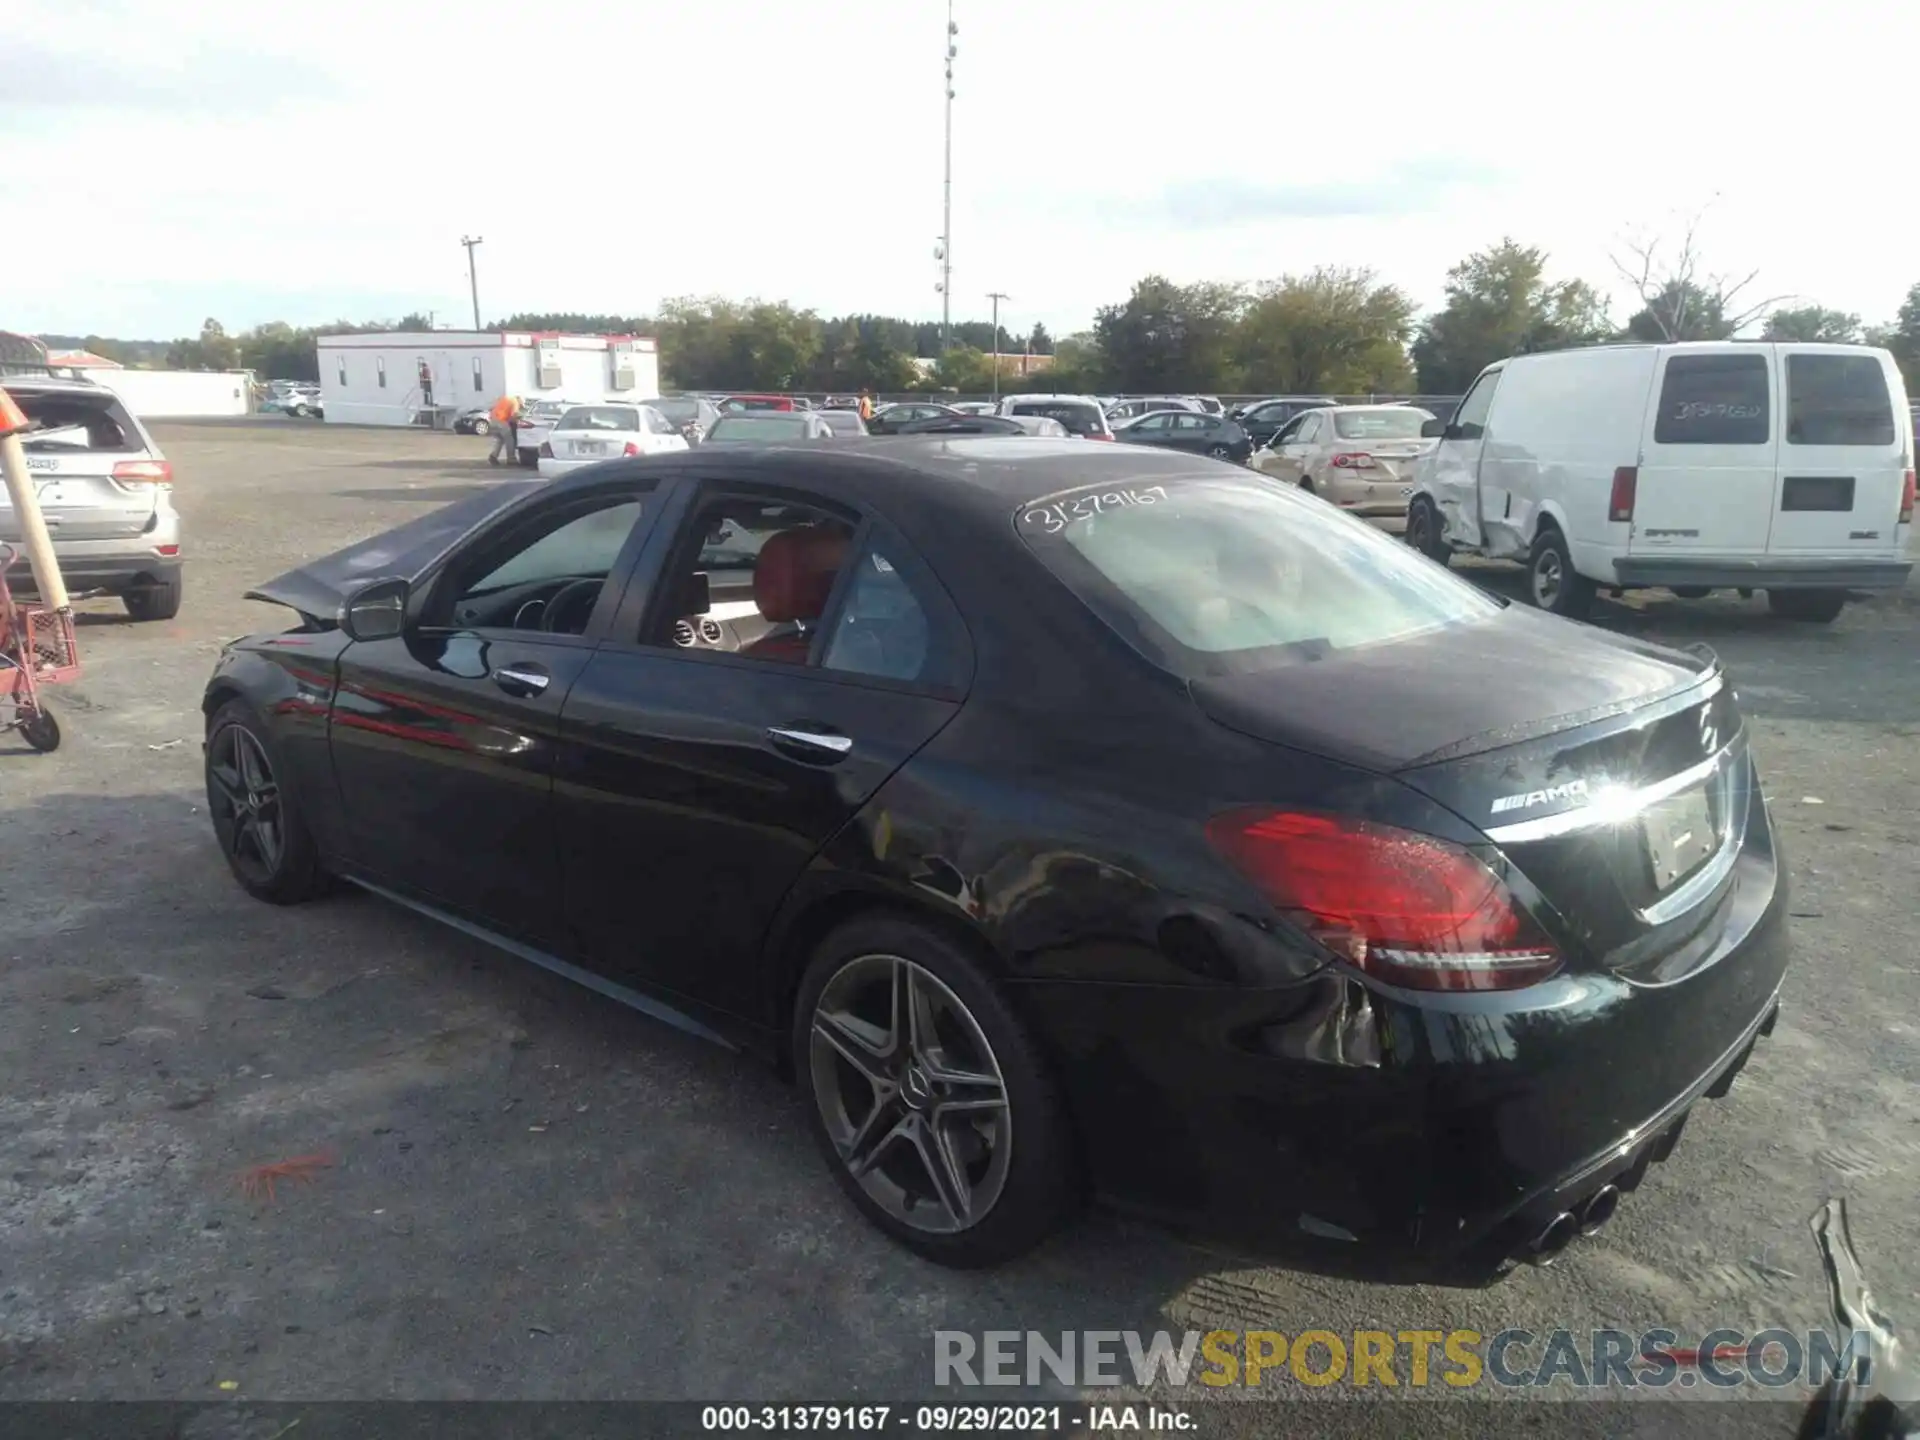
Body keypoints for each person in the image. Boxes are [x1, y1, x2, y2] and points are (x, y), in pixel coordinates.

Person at [488, 394, 522, 466]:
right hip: (501, 421)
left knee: (500, 440)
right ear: (520, 401)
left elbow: (494, 408)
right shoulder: (515, 402)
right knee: (510, 439)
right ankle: (511, 459)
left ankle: (493, 456)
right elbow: (514, 415)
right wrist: (517, 422)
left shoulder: (505, 399)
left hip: (492, 420)